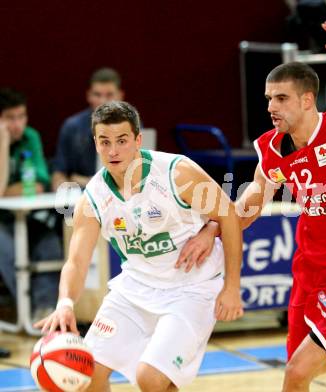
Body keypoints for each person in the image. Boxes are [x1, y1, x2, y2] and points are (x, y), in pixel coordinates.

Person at [181, 17, 326, 392]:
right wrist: (212, 228)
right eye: (268, 99)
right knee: (300, 366)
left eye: (281, 98)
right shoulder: (272, 152)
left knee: (295, 372)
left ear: (307, 99)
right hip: (312, 269)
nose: (271, 107)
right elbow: (249, 205)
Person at [35, 101, 244, 391]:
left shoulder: (176, 172)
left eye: (122, 141)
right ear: (95, 143)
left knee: (150, 378)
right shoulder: (93, 198)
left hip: (191, 288)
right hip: (136, 288)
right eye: (105, 142)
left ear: (137, 140)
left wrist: (231, 286)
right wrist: (65, 303)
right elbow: (76, 261)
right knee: (87, 374)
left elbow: (229, 214)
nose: (113, 151)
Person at [0, 88, 62, 317]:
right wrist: (3, 145)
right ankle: (26, 312)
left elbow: (38, 184)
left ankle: (43, 311)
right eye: (10, 118)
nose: (18, 125)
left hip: (23, 216)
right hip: (1, 221)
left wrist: (8, 191)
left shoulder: (31, 137)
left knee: (50, 243)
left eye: (21, 116)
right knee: (6, 249)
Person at [51, 67, 124, 191]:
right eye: (97, 95)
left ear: (120, 95)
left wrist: (81, 179)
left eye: (109, 95)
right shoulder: (72, 127)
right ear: (89, 95)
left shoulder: (133, 125)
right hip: (82, 198)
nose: (103, 101)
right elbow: (58, 176)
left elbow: (142, 172)